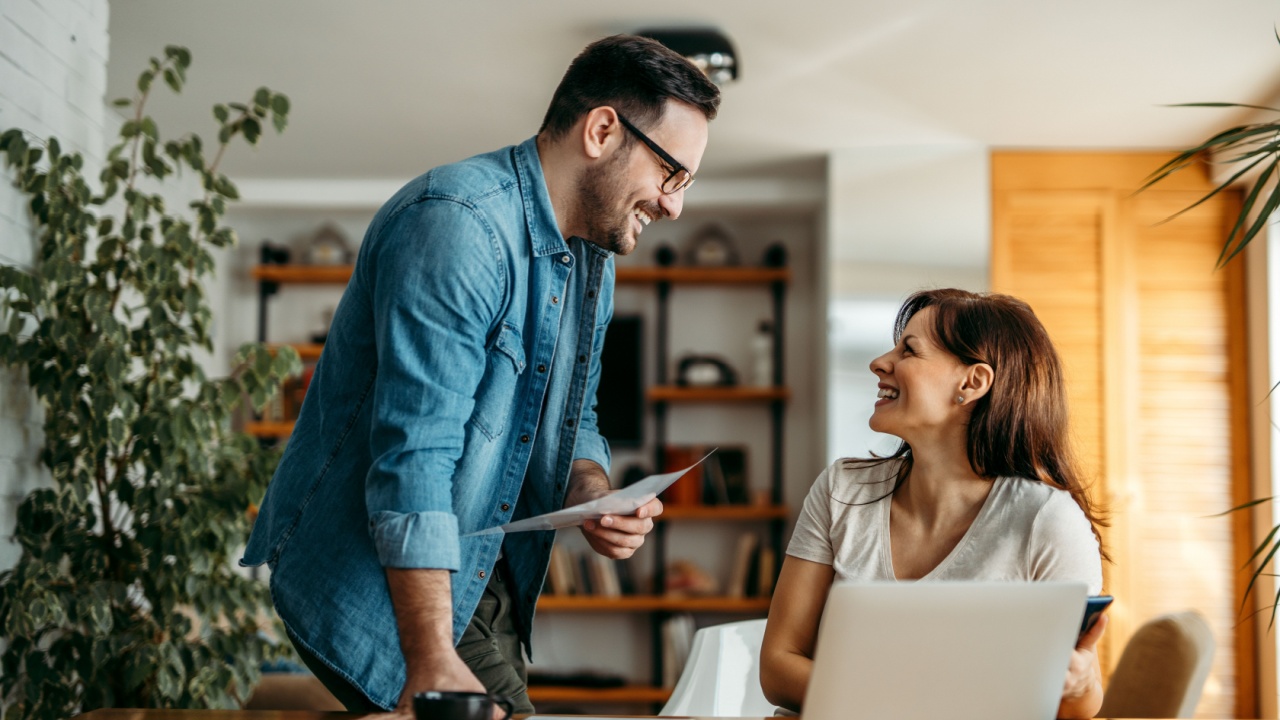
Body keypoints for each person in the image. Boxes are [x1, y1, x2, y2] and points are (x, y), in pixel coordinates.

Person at [240, 35, 720, 716]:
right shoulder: (456, 224)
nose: (674, 206)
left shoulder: (592, 265)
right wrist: (430, 656)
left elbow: (575, 414)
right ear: (603, 130)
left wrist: (593, 490)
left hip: (480, 579)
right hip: (382, 587)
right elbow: (416, 454)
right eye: (671, 173)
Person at [760, 288, 1108, 719]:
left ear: (972, 382)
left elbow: (1079, 709)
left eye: (909, 350)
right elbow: (778, 667)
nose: (880, 362)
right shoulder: (842, 490)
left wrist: (1080, 682)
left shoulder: (1047, 521)